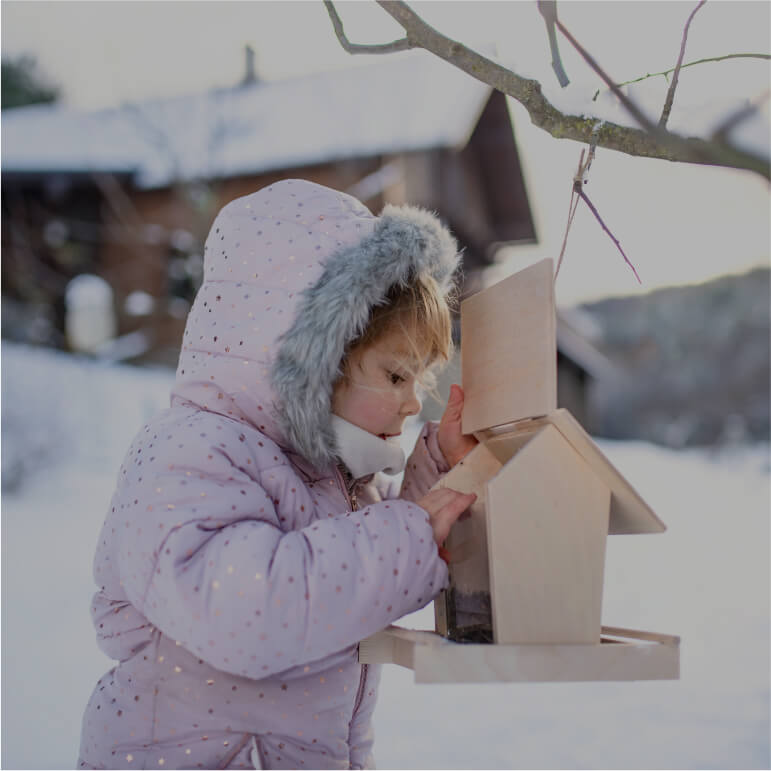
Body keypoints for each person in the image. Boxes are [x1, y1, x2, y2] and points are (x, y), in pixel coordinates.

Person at [78, 179, 478, 770]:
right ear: (311, 359)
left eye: (421, 381)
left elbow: (356, 571)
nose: (414, 402)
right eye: (397, 377)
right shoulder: (189, 452)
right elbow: (249, 613)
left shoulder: (329, 475)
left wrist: (436, 477)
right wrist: (412, 531)